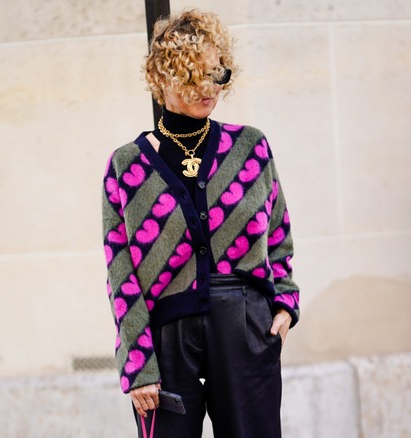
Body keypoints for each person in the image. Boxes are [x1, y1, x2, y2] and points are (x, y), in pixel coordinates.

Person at [101, 8, 300, 438]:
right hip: (166, 339)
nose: (209, 88)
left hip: (246, 327)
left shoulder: (250, 147)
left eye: (218, 74)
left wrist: (284, 302)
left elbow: (279, 230)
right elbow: (121, 270)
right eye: (195, 77)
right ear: (163, 78)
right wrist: (136, 361)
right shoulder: (128, 166)